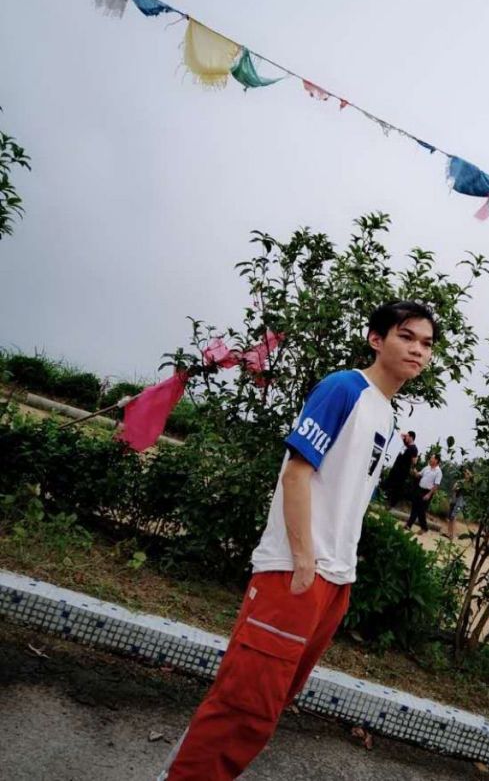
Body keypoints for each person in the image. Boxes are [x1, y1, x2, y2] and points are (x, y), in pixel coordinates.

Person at [159, 300, 437, 781]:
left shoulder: (387, 414)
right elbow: (296, 473)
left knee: (272, 703)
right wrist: (304, 559)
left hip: (334, 580)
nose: (418, 350)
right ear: (376, 339)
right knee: (244, 708)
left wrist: (338, 573)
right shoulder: (344, 388)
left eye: (427, 344)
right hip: (294, 572)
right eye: (406, 336)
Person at [405, 452, 442, 533]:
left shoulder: (438, 472)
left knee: (421, 510)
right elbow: (419, 475)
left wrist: (429, 494)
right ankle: (408, 525)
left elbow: (436, 485)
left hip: (427, 492)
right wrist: (414, 472)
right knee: (414, 508)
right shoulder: (427, 468)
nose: (430, 459)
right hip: (420, 489)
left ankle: (424, 527)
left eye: (432, 458)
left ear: (436, 460)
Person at [383, 430, 418, 508]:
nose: (406, 437)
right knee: (389, 482)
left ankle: (391, 504)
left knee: (397, 488)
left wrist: (413, 469)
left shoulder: (414, 448)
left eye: (408, 436)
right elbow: (402, 435)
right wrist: (406, 436)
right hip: (396, 468)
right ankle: (385, 498)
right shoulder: (406, 445)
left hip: (402, 472)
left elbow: (414, 461)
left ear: (411, 437)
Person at [445, 466, 470, 539]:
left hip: (459, 502)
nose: (466, 474)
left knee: (454, 516)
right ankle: (448, 533)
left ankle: (452, 534)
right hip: (454, 500)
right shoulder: (460, 481)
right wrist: (457, 487)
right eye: (465, 472)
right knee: (450, 517)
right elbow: (453, 488)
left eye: (468, 473)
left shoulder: (469, 484)